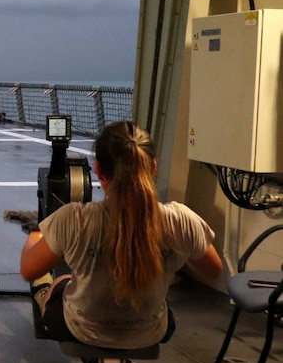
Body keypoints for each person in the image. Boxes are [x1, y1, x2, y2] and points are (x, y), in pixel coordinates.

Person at [20, 121, 223, 349]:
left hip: (81, 330)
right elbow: (213, 271)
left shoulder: (73, 219)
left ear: (97, 169)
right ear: (153, 167)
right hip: (151, 332)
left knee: (58, 282)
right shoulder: (183, 220)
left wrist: (35, 233)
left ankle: (45, 295)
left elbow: (29, 270)